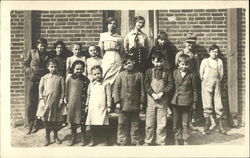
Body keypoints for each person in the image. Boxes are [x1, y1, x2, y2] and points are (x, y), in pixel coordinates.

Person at [113, 54, 146, 146]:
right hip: (123, 104)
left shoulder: (139, 75)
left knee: (135, 124)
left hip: (135, 103)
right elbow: (116, 89)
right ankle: (122, 141)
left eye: (130, 63)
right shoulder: (120, 75)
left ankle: (135, 140)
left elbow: (142, 90)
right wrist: (117, 102)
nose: (128, 65)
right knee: (122, 123)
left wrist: (142, 102)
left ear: (134, 62)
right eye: (126, 64)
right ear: (123, 65)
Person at [143, 51, 174, 146]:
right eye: (156, 62)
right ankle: (148, 140)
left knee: (162, 122)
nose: (158, 64)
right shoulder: (149, 72)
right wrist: (152, 94)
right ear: (153, 61)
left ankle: (160, 141)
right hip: (151, 100)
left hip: (162, 100)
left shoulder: (167, 72)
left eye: (160, 62)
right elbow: (146, 84)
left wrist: (162, 93)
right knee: (149, 122)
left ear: (164, 61)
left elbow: (170, 84)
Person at [175, 33, 201, 131]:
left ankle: (190, 122)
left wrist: (197, 80)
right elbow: (176, 67)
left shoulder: (195, 55)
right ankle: (181, 123)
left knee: (191, 101)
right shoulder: (179, 54)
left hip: (192, 80)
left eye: (192, 43)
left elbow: (197, 70)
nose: (190, 45)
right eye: (188, 43)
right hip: (182, 81)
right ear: (184, 43)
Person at [200, 44, 227, 135]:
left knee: (218, 104)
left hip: (217, 83)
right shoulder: (205, 61)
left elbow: (221, 74)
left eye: (216, 52)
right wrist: (205, 82)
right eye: (213, 52)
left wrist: (217, 81)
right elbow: (201, 73)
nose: (215, 53)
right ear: (209, 52)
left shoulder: (219, 61)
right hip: (206, 83)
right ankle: (207, 125)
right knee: (207, 104)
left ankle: (220, 126)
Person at [23, 38, 49, 135]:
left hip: (43, 81)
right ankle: (29, 125)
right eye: (41, 45)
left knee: (41, 103)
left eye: (44, 46)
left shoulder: (48, 54)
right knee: (30, 103)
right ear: (37, 46)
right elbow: (25, 64)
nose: (43, 47)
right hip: (33, 80)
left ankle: (36, 124)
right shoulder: (32, 52)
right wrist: (29, 71)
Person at [171, 54, 198, 145]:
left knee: (185, 123)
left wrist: (194, 102)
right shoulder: (175, 72)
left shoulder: (192, 75)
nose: (184, 66)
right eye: (182, 64)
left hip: (187, 102)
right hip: (176, 101)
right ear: (178, 64)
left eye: (186, 64)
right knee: (176, 122)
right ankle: (177, 139)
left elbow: (195, 90)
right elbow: (172, 87)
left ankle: (185, 139)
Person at [38, 59, 65, 146]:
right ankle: (47, 137)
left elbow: (63, 91)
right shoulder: (44, 78)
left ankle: (56, 136)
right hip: (46, 102)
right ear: (48, 67)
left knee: (55, 120)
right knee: (47, 120)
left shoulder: (60, 78)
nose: (53, 68)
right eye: (52, 67)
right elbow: (40, 90)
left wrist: (61, 100)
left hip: (56, 103)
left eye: (55, 67)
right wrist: (42, 99)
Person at [85, 65, 112, 146]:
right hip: (93, 106)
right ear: (92, 75)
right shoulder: (91, 84)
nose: (97, 76)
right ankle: (93, 139)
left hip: (102, 106)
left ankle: (105, 139)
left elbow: (108, 95)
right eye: (95, 74)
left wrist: (109, 106)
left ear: (102, 73)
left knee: (103, 123)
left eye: (98, 73)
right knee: (93, 123)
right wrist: (87, 105)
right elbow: (88, 95)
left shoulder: (106, 83)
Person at [65, 60, 90, 146]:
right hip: (72, 103)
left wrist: (86, 103)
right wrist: (66, 100)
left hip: (81, 103)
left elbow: (88, 92)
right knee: (73, 121)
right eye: (77, 69)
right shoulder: (70, 79)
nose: (79, 71)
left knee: (82, 120)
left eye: (81, 69)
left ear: (84, 69)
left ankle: (83, 137)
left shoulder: (86, 80)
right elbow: (66, 90)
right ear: (73, 69)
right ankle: (73, 137)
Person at [99, 17, 123, 91]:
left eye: (114, 24)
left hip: (116, 57)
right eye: (110, 23)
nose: (112, 25)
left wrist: (118, 57)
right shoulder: (103, 36)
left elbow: (121, 50)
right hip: (107, 57)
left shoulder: (119, 38)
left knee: (116, 77)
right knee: (105, 74)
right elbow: (101, 50)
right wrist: (104, 58)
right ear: (107, 25)